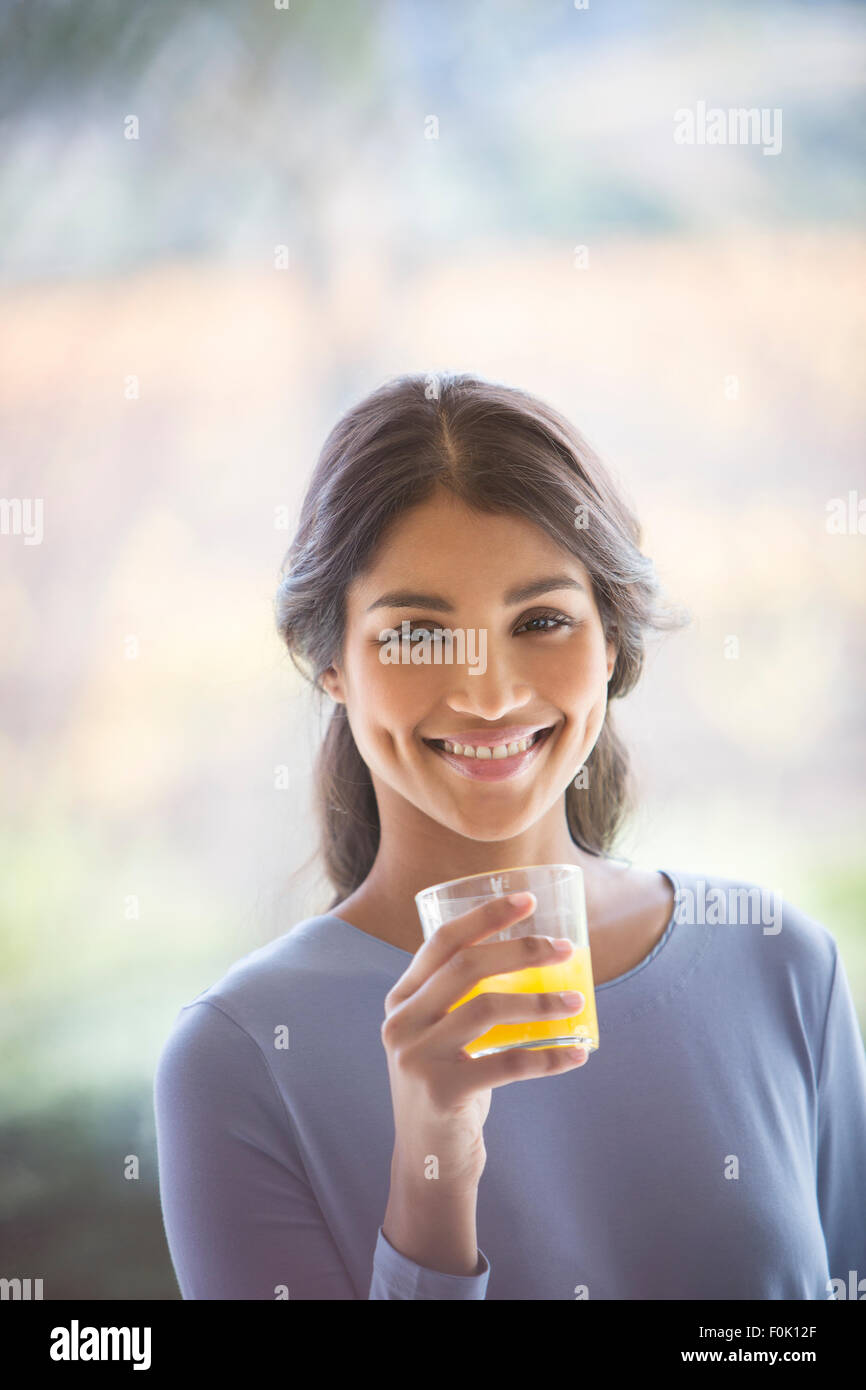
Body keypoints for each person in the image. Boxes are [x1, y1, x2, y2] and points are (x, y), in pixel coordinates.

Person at [153, 371, 866, 1299]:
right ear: (328, 662)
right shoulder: (238, 1057)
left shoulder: (779, 964)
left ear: (611, 642)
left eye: (540, 621)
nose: (488, 695)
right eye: (417, 632)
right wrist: (432, 1169)